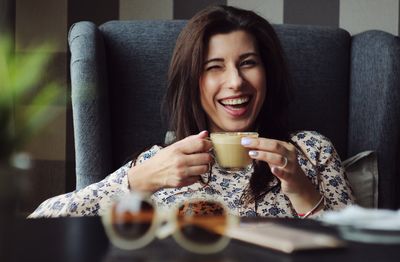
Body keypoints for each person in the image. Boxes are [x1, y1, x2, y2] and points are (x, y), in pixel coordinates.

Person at [29, 5, 354, 219]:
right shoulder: (160, 164)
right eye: (214, 67)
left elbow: (361, 256)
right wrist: (137, 180)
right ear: (192, 83)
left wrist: (302, 191)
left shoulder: (311, 151)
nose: (236, 82)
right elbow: (40, 224)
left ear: (267, 73)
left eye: (248, 63)